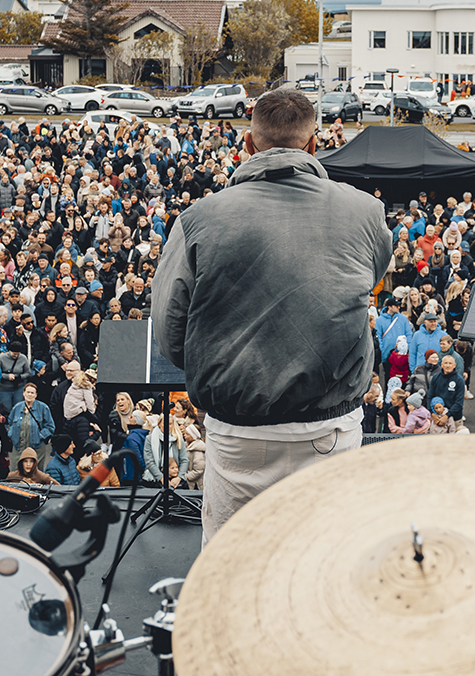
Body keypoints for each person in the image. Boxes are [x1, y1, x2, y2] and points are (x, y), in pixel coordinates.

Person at [153, 88, 390, 543]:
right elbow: (367, 279)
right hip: (331, 429)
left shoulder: (199, 218)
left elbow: (170, 334)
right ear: (315, 143)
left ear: (247, 144)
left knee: (230, 572)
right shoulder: (365, 211)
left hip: (240, 434)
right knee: (324, 569)